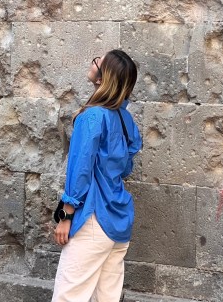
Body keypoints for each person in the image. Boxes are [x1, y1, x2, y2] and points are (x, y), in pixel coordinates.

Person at [51, 49, 143, 302]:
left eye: (97, 62)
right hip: (119, 221)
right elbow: (125, 166)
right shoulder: (125, 119)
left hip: (93, 219)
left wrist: (66, 215)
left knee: (67, 298)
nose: (93, 62)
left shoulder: (91, 117)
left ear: (102, 79)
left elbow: (80, 170)